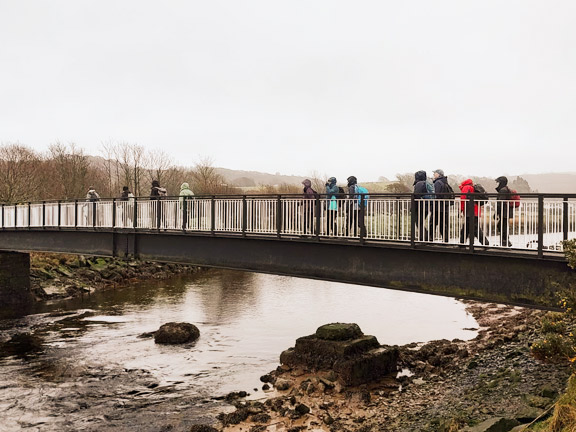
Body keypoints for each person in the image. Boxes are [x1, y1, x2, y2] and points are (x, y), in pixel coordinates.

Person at [459, 179, 489, 246]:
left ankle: (485, 243)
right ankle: (461, 243)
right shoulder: (471, 187)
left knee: (475, 229)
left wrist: (461, 210)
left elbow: (463, 199)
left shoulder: (466, 187)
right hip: (474, 210)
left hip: (470, 211)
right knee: (466, 228)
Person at [432, 169, 450, 242]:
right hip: (444, 206)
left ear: (439, 174)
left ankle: (430, 238)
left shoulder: (438, 183)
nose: (433, 175)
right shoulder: (445, 182)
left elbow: (437, 194)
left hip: (438, 207)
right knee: (443, 223)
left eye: (435, 173)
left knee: (432, 223)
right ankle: (445, 239)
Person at [495, 176, 513, 247]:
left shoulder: (503, 190)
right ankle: (505, 241)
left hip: (504, 212)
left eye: (498, 182)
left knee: (502, 226)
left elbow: (500, 203)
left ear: (501, 183)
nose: (497, 184)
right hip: (506, 211)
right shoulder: (506, 189)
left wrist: (496, 213)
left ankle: (505, 241)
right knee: (502, 226)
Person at [413, 171, 430, 241]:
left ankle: (424, 237)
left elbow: (417, 194)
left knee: (418, 222)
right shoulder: (426, 183)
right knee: (420, 222)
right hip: (426, 205)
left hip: (420, 206)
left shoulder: (419, 183)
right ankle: (425, 236)